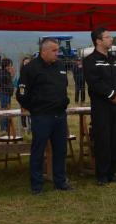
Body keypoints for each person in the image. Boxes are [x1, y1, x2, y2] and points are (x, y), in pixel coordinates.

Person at [16, 39, 73, 195]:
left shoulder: (60, 66)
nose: (57, 53)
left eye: (57, 50)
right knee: (38, 150)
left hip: (60, 115)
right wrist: (35, 108)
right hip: (42, 117)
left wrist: (64, 101)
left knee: (60, 150)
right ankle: (37, 185)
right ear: (44, 51)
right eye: (54, 50)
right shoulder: (31, 68)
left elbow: (63, 86)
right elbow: (21, 94)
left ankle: (60, 181)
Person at [83, 27, 116, 186]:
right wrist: (111, 95)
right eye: (107, 37)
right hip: (101, 107)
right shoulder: (90, 61)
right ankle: (102, 175)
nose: (111, 39)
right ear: (98, 41)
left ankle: (112, 172)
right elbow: (94, 82)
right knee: (103, 139)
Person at [0, 57, 14, 131]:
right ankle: (4, 129)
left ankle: (7, 128)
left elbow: (8, 82)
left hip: (7, 94)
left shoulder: (6, 72)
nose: (10, 66)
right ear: (6, 65)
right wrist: (9, 87)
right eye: (9, 64)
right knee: (4, 111)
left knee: (7, 111)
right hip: (4, 94)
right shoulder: (1, 72)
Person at [14, 56, 32, 132]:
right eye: (26, 62)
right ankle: (24, 128)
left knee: (31, 113)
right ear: (23, 64)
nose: (27, 64)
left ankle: (31, 127)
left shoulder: (33, 73)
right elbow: (17, 85)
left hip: (32, 97)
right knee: (23, 112)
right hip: (23, 96)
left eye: (29, 63)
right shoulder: (20, 73)